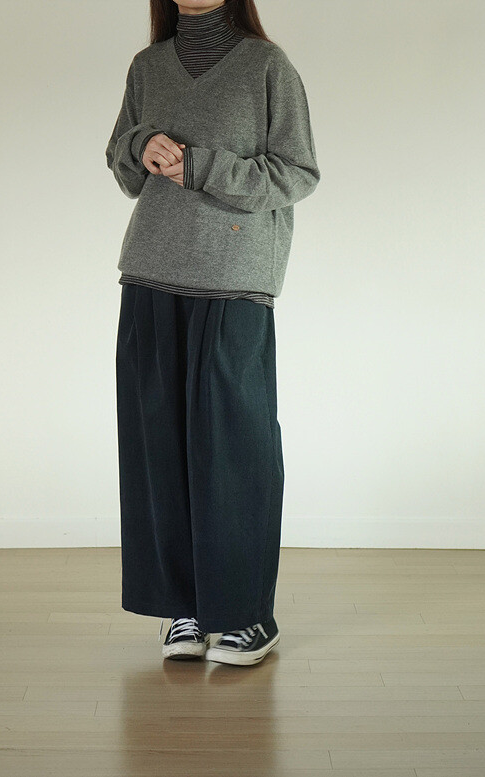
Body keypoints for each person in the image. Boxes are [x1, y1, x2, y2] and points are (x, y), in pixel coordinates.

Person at [105, 0, 320, 666]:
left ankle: (247, 613)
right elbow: (123, 167)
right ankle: (185, 608)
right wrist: (140, 145)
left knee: (235, 450)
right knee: (158, 449)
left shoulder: (266, 67)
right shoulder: (148, 67)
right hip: (151, 272)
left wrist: (200, 166)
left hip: (234, 277)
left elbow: (297, 173)